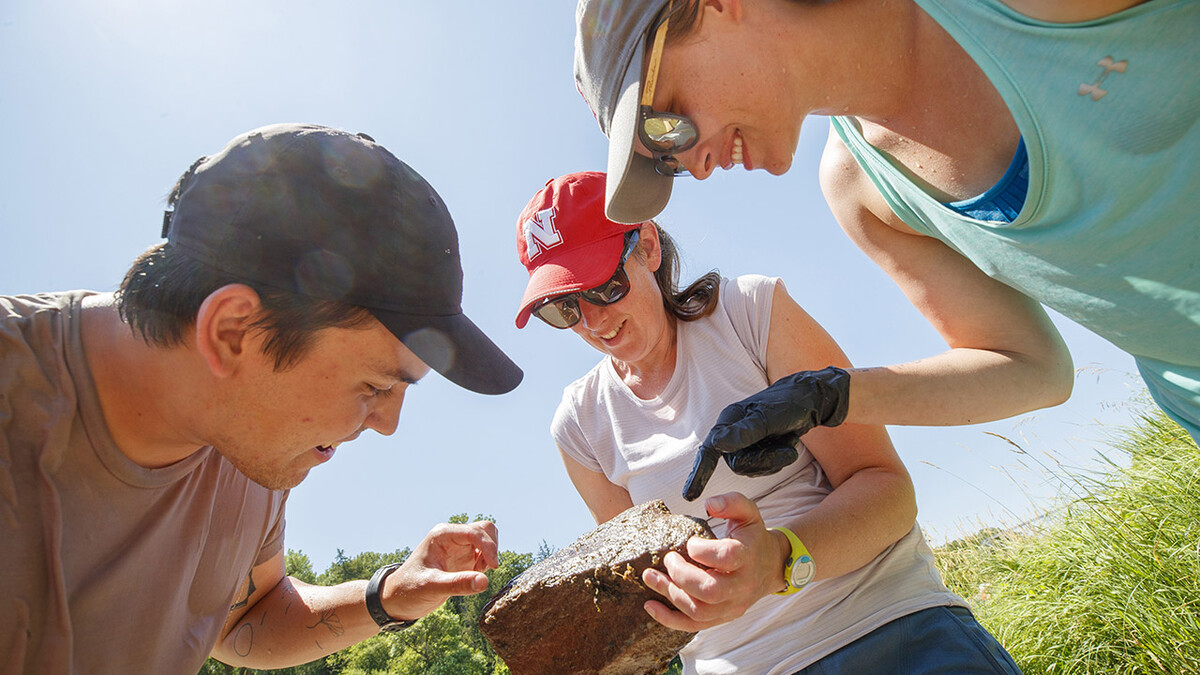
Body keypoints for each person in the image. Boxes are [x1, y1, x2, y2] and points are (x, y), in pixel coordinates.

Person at [571, 0, 1200, 498]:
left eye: (669, 122)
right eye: (668, 162)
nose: (696, 164)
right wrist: (827, 397)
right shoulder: (861, 188)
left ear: (715, 4)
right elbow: (1033, 368)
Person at [0, 123, 523, 673]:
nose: (387, 424)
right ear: (231, 331)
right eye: (375, 386)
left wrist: (388, 595)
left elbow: (245, 617)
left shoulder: (249, 441)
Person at [513, 170, 1021, 673]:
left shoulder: (748, 314)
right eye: (563, 309)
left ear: (647, 246)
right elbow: (637, 587)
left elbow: (886, 489)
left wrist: (777, 560)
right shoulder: (580, 425)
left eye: (604, 286)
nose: (593, 322)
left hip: (888, 628)